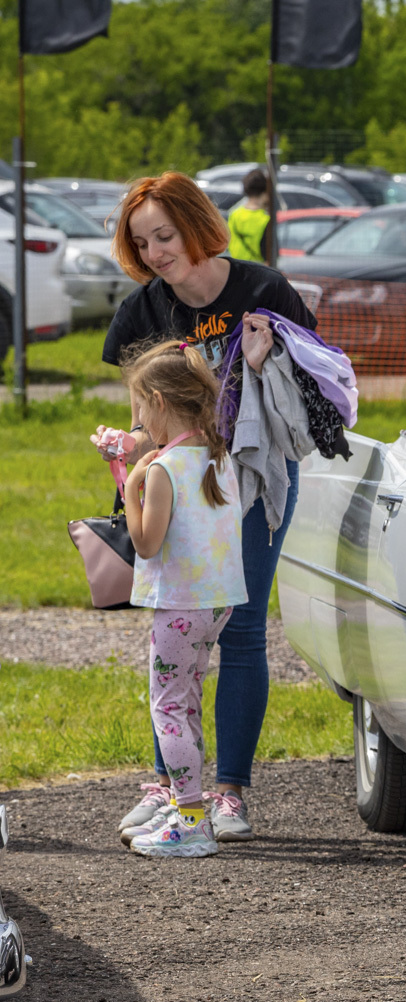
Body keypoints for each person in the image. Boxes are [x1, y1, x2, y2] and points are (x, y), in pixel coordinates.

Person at [100, 171, 318, 845]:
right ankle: (174, 789)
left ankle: (228, 793)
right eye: (143, 241)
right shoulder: (144, 311)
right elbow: (149, 415)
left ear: (196, 223)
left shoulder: (263, 290)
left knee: (244, 628)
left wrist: (264, 357)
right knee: (172, 631)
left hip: (248, 482)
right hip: (177, 486)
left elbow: (313, 391)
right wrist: (127, 451)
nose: (156, 252)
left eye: (164, 235)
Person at [114, 340, 248, 858]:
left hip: (179, 607)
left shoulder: (165, 471)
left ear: (159, 402)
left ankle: (190, 819)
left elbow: (146, 542)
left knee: (168, 708)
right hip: (217, 603)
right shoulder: (217, 457)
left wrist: (132, 487)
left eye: (139, 408)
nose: (139, 419)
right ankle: (186, 805)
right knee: (187, 700)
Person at [227, 169, 273, 264]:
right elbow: (268, 252)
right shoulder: (265, 219)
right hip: (257, 269)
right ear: (265, 192)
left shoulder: (234, 214)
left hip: (236, 266)